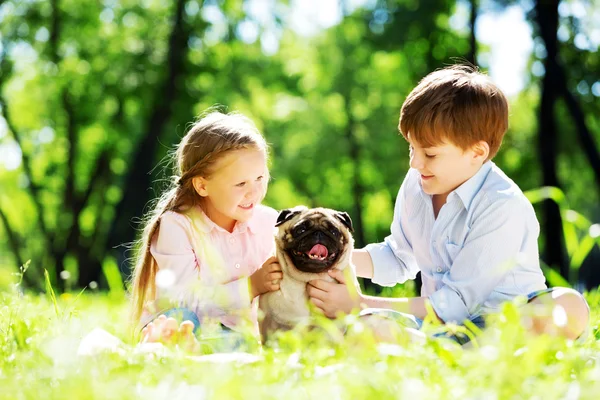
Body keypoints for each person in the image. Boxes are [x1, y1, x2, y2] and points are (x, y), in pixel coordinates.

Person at [307, 65, 590, 343]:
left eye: (429, 153)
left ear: (477, 153)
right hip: (436, 329)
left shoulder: (501, 205)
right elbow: (398, 256)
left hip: (504, 327)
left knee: (567, 306)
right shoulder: (418, 182)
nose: (414, 162)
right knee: (367, 328)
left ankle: (471, 359)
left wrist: (359, 303)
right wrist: (332, 256)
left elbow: (453, 305)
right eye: (411, 147)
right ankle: (448, 356)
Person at [129, 110, 282, 350]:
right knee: (181, 319)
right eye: (241, 183)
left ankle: (209, 352)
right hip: (190, 323)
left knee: (247, 342)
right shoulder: (178, 226)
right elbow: (184, 299)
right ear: (202, 185)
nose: (254, 192)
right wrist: (250, 287)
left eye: (260, 178)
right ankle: (171, 346)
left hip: (240, 334)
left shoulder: (269, 222)